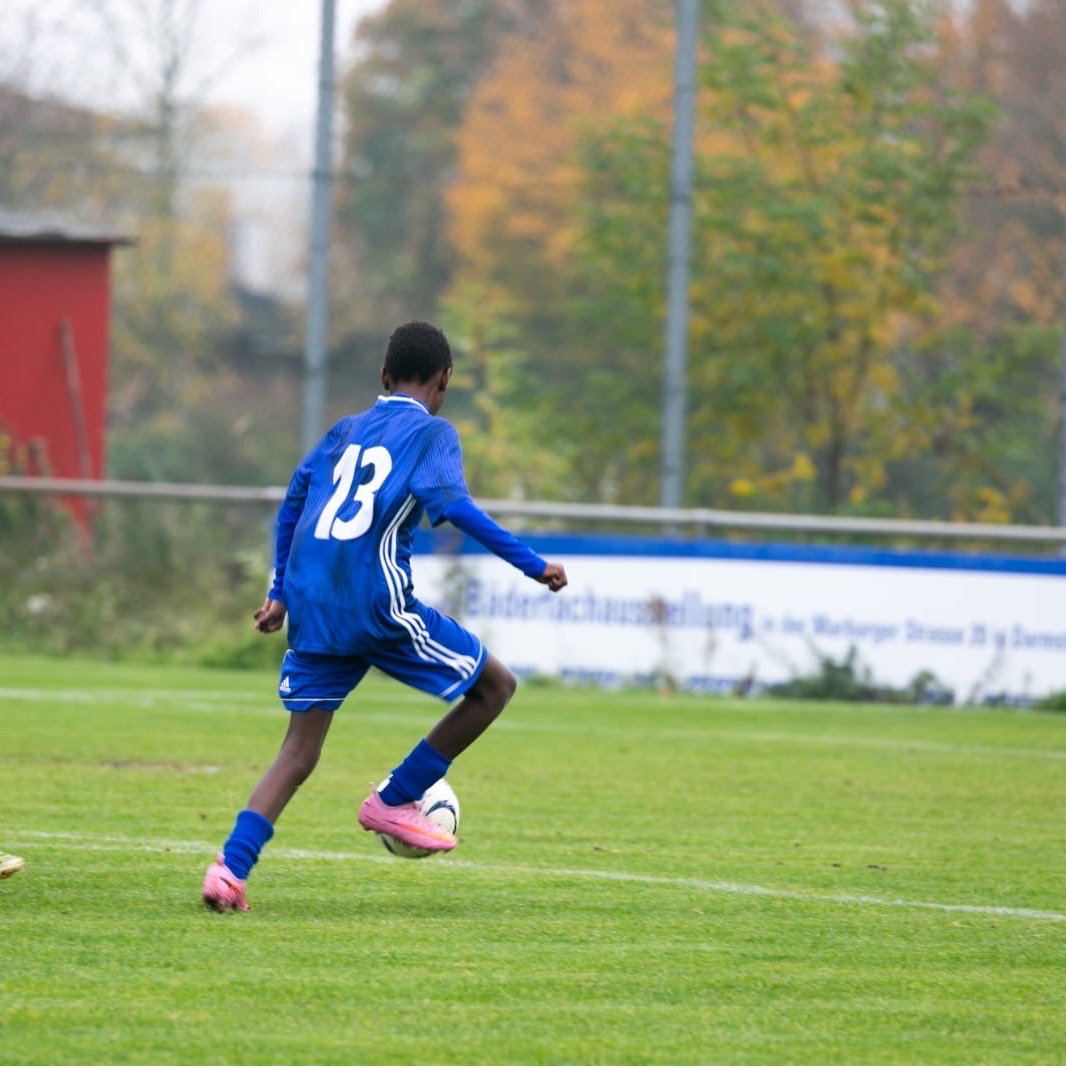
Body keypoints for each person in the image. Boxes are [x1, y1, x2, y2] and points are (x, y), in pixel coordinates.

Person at [203, 320, 568, 912]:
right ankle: (395, 797)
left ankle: (228, 871)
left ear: (383, 376)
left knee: (297, 752)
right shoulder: (433, 434)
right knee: (495, 687)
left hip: (314, 604)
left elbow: (296, 498)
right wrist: (532, 564)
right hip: (374, 603)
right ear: (444, 380)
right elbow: (454, 507)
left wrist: (280, 589)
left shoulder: (345, 430)